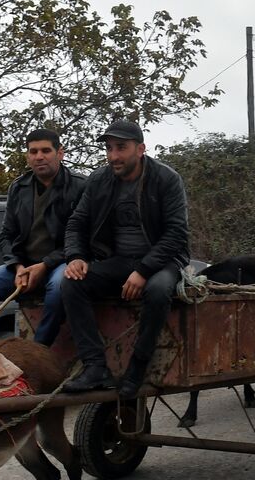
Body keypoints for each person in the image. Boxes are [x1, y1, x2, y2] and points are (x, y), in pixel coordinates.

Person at [59, 119, 190, 398]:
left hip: (163, 260)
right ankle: (95, 367)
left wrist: (143, 270)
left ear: (140, 149)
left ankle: (137, 368)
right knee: (72, 283)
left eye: (121, 148)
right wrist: (76, 257)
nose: (113, 156)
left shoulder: (166, 179)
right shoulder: (99, 179)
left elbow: (176, 233)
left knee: (157, 290)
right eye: (109, 148)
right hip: (119, 260)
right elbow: (76, 223)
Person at [0, 128, 86, 346]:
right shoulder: (19, 188)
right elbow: (6, 235)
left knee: (60, 286)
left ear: (60, 153)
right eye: (33, 151)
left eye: (46, 150)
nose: (39, 156)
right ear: (28, 156)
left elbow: (83, 238)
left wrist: (45, 265)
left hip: (61, 264)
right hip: (24, 267)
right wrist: (17, 266)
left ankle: (37, 350)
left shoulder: (80, 186)